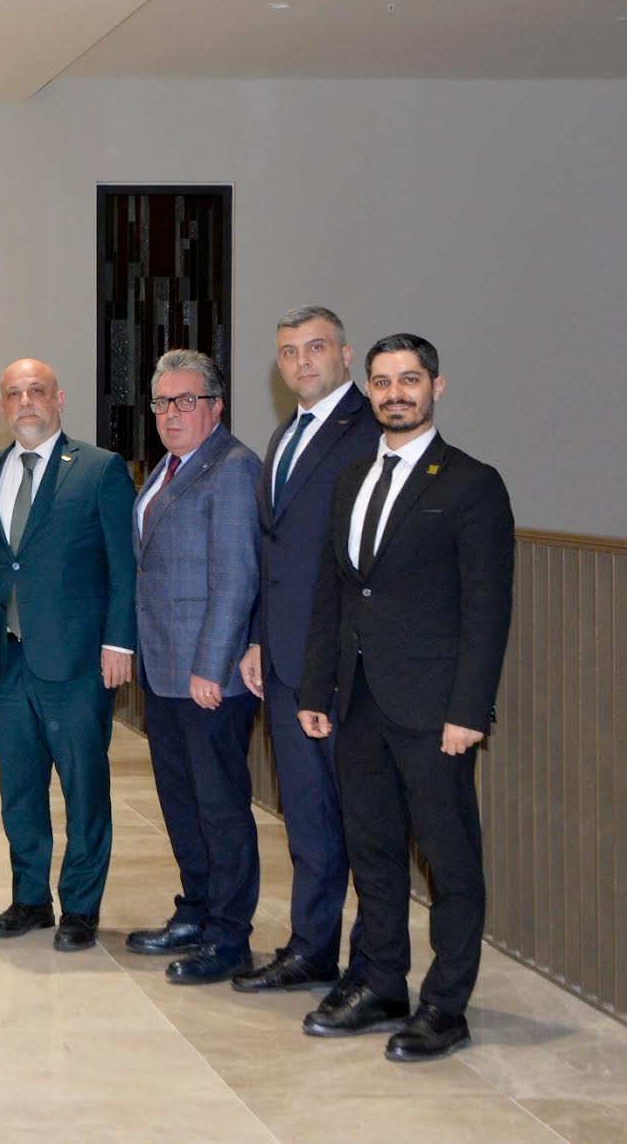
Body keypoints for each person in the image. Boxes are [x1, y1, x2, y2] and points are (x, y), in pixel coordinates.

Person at [299, 334, 514, 1062]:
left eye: (410, 380)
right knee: (374, 851)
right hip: (359, 702)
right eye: (383, 381)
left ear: (436, 387)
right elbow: (333, 591)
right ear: (369, 389)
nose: (396, 393)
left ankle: (445, 1006)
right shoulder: (350, 478)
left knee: (449, 862)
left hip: (434, 710)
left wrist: (469, 711)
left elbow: (487, 609)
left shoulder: (471, 483)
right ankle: (381, 983)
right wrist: (316, 686)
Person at [233, 306, 379, 995]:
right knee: (309, 819)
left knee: (365, 823)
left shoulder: (371, 431)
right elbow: (277, 556)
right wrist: (258, 638)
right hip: (286, 660)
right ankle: (311, 950)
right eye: (289, 351)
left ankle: (373, 969)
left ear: (345, 355)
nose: (301, 362)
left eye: (315, 347)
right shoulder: (285, 433)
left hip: (348, 665)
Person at [0, 358, 137, 952]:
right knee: (18, 790)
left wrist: (119, 642)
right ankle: (30, 899)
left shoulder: (98, 469)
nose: (26, 402)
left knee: (83, 788)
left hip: (76, 663)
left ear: (59, 399)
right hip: (6, 662)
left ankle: (81, 906)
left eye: (36, 391)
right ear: (2, 406)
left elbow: (124, 565)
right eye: (14, 393)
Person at [125, 350, 263, 985]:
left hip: (209, 677)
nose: (171, 413)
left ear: (216, 405)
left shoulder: (233, 469)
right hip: (165, 669)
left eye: (186, 400)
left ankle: (230, 937)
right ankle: (196, 911)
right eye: (162, 402)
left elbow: (236, 577)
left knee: (220, 807)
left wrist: (212, 666)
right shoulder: (168, 467)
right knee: (181, 800)